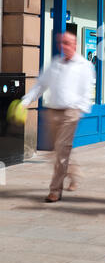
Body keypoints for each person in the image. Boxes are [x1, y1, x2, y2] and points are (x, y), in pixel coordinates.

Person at [21, 31, 95, 202]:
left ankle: (55, 190)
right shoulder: (55, 64)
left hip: (71, 113)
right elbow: (40, 85)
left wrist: (81, 109)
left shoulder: (84, 65)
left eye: (67, 43)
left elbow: (87, 90)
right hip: (52, 112)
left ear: (75, 45)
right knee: (54, 151)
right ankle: (74, 174)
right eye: (62, 43)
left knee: (61, 149)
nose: (64, 46)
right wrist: (25, 102)